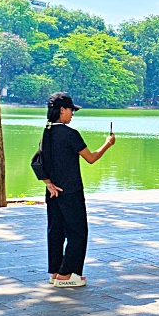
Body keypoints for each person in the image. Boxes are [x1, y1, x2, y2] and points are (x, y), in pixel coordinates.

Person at [39, 91, 115, 287]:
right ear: (62, 110)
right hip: (71, 191)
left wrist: (48, 182)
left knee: (55, 231)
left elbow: (37, 162)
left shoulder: (46, 133)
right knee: (77, 231)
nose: (72, 114)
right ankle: (67, 275)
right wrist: (107, 144)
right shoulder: (70, 134)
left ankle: (56, 273)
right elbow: (90, 158)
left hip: (53, 191)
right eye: (71, 110)